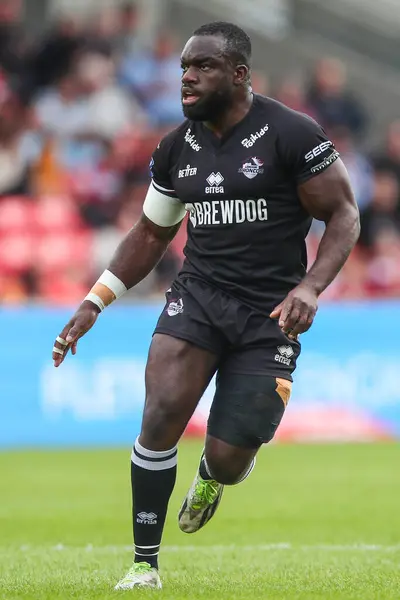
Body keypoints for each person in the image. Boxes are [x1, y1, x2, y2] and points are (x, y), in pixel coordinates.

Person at [52, 22, 360, 590]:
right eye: (183, 69)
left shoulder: (292, 134)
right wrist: (96, 301)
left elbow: (343, 214)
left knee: (227, 457)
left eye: (202, 67)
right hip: (197, 299)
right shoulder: (176, 149)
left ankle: (212, 477)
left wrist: (311, 286)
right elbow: (149, 233)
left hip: (270, 315)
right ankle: (144, 564)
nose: (187, 78)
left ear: (239, 74)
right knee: (161, 412)